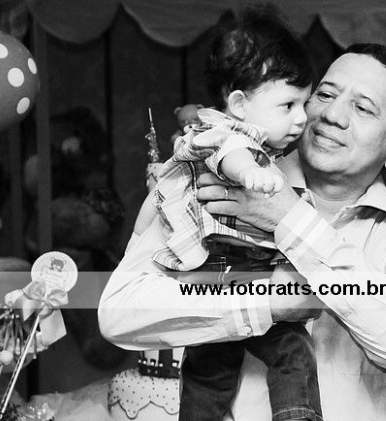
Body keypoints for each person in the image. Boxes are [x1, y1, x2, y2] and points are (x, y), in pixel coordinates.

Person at [99, 41, 386, 421]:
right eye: (325, 94)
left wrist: (289, 218)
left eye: (363, 108)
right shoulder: (218, 181)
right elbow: (119, 313)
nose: (332, 114)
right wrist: (267, 302)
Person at [136, 7, 320, 421]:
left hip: (224, 277)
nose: (302, 118)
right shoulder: (224, 135)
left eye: (304, 103)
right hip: (231, 269)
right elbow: (230, 155)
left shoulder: (260, 145)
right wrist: (251, 174)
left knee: (214, 369)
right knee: (285, 351)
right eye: (288, 104)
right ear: (238, 103)